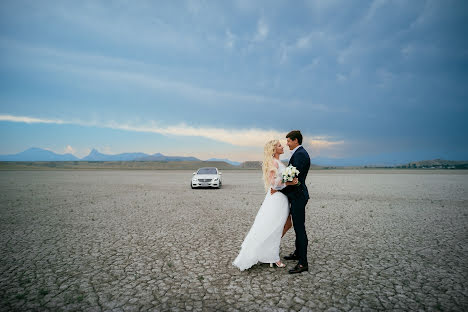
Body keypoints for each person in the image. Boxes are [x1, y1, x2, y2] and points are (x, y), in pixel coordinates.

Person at [232, 139, 298, 271]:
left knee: (284, 225)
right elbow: (274, 184)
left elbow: (279, 181)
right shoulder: (273, 162)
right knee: (275, 227)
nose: (282, 146)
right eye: (279, 145)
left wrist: (289, 180)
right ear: (274, 150)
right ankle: (273, 257)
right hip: (276, 199)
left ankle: (266, 250)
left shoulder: (278, 162)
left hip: (281, 197)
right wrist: (290, 183)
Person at [272, 130, 310, 274]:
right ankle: (297, 253)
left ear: (296, 141)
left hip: (298, 196)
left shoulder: (300, 154)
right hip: (296, 195)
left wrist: (278, 189)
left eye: (288, 141)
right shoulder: (298, 153)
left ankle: (303, 263)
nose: (287, 144)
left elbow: (294, 179)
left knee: (300, 228)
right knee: (298, 227)